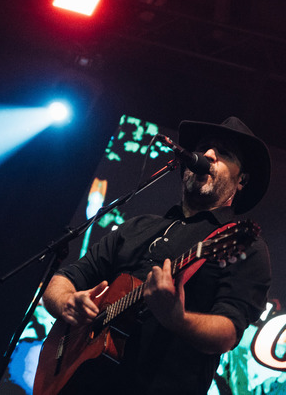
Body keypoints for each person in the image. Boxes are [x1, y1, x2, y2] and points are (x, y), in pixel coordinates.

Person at [40, 117, 272, 395]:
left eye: (224, 153)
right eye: (204, 148)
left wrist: (177, 319)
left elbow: (228, 332)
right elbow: (63, 279)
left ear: (242, 179)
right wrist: (66, 302)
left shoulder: (242, 244)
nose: (209, 155)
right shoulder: (136, 227)